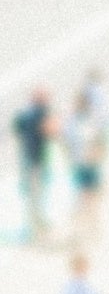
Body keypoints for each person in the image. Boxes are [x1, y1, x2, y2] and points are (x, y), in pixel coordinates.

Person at [63, 75, 109, 239]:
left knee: (91, 198)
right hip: (82, 164)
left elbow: (100, 140)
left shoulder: (88, 120)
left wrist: (97, 154)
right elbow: (67, 142)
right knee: (83, 197)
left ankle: (92, 229)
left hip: (89, 164)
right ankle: (84, 230)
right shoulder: (74, 122)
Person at [11, 90, 53, 242]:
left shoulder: (25, 114)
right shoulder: (41, 113)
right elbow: (50, 130)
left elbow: (17, 129)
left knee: (31, 195)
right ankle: (35, 228)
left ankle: (33, 226)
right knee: (37, 194)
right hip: (37, 160)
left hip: (28, 159)